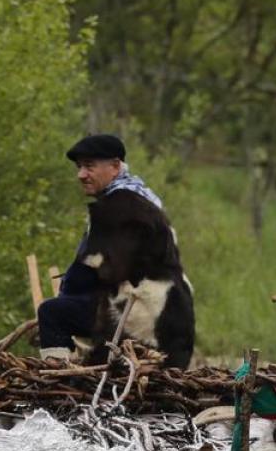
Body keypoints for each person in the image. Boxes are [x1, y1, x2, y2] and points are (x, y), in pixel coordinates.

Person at [37, 134, 195, 366]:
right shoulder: (145, 199)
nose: (81, 174)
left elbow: (88, 273)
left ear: (115, 166)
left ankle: (56, 373)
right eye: (79, 167)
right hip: (173, 319)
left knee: (52, 312)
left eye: (89, 166)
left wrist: (66, 295)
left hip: (141, 318)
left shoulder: (116, 207)